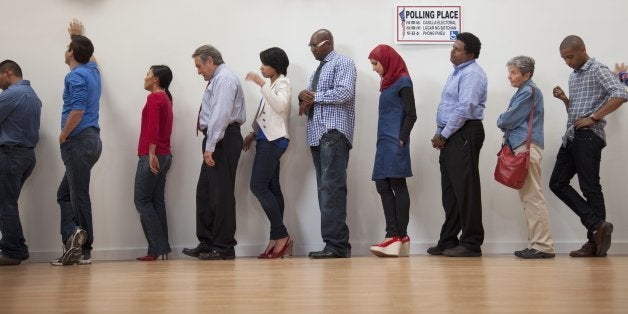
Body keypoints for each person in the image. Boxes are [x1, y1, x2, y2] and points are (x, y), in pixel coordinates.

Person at [550, 35, 628, 258]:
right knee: (557, 182)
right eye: (564, 58)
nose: (567, 62)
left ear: (583, 49)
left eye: (570, 57)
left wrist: (593, 118)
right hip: (572, 136)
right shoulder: (574, 76)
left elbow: (622, 94)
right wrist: (566, 100)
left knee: (590, 187)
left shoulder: (597, 69)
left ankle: (594, 242)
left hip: (589, 136)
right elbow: (576, 112)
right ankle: (596, 227)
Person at [182, 45, 245, 260]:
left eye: (199, 66)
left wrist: (210, 146)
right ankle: (207, 242)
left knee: (221, 194)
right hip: (217, 139)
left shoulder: (225, 78)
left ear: (210, 61)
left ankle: (224, 246)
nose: (198, 71)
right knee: (206, 193)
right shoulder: (218, 79)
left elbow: (221, 114)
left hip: (222, 139)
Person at [298, 29, 356, 259]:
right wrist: (303, 98)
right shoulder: (317, 70)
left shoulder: (343, 62)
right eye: (310, 45)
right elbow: (315, 96)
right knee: (325, 189)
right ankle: (333, 243)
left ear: (328, 43)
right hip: (317, 135)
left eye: (315, 45)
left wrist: (315, 96)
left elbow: (345, 92)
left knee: (332, 189)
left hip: (333, 133)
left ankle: (338, 246)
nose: (312, 49)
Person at [428, 32, 487, 257]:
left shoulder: (472, 73)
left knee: (466, 189)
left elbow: (464, 108)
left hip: (465, 132)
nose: (452, 51)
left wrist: (444, 133)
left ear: (470, 53)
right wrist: (439, 132)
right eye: (452, 47)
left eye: (457, 48)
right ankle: (449, 240)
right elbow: (447, 107)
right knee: (450, 191)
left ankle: (471, 243)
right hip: (452, 133)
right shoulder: (457, 73)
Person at [51, 19, 102, 266]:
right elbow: (91, 57)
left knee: (78, 195)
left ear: (71, 53)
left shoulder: (74, 77)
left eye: (68, 48)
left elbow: (77, 110)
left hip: (78, 141)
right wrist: (77, 36)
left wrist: (63, 135)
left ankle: (84, 250)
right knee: (65, 195)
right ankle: (74, 240)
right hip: (92, 142)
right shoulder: (91, 71)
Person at [497, 56, 555, 259]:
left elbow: (507, 119)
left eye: (513, 72)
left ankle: (543, 246)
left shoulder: (529, 91)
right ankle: (538, 244)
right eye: (510, 72)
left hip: (525, 148)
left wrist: (502, 118)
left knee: (533, 197)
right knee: (529, 197)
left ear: (526, 74)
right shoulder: (525, 91)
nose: (509, 76)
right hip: (523, 147)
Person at [366, 45, 417, 258]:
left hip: (396, 141)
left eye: (375, 64)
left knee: (397, 183)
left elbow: (411, 114)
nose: (374, 68)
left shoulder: (403, 81)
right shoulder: (386, 83)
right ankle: (396, 236)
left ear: (387, 61)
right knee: (382, 184)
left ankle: (397, 236)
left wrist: (402, 138)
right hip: (383, 141)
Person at [243, 47, 293, 259]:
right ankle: (276, 238)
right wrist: (253, 134)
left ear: (276, 65)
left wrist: (261, 83)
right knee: (271, 187)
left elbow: (280, 106)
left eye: (264, 63)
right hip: (265, 140)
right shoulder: (273, 84)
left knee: (258, 185)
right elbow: (264, 113)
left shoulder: (282, 83)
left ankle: (282, 236)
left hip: (274, 141)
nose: (261, 67)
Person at [0, 60, 41, 266]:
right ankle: (15, 246)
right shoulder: (34, 97)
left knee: (5, 204)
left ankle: (13, 250)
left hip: (11, 154)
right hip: (26, 156)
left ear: (8, 72)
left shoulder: (10, 94)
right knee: (8, 203)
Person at [134, 65, 174, 262]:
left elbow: (153, 127)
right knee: (156, 201)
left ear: (156, 79)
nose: (145, 77)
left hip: (154, 155)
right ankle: (159, 249)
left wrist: (150, 154)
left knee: (141, 201)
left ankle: (158, 248)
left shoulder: (154, 97)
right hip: (165, 154)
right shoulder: (165, 98)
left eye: (148, 74)